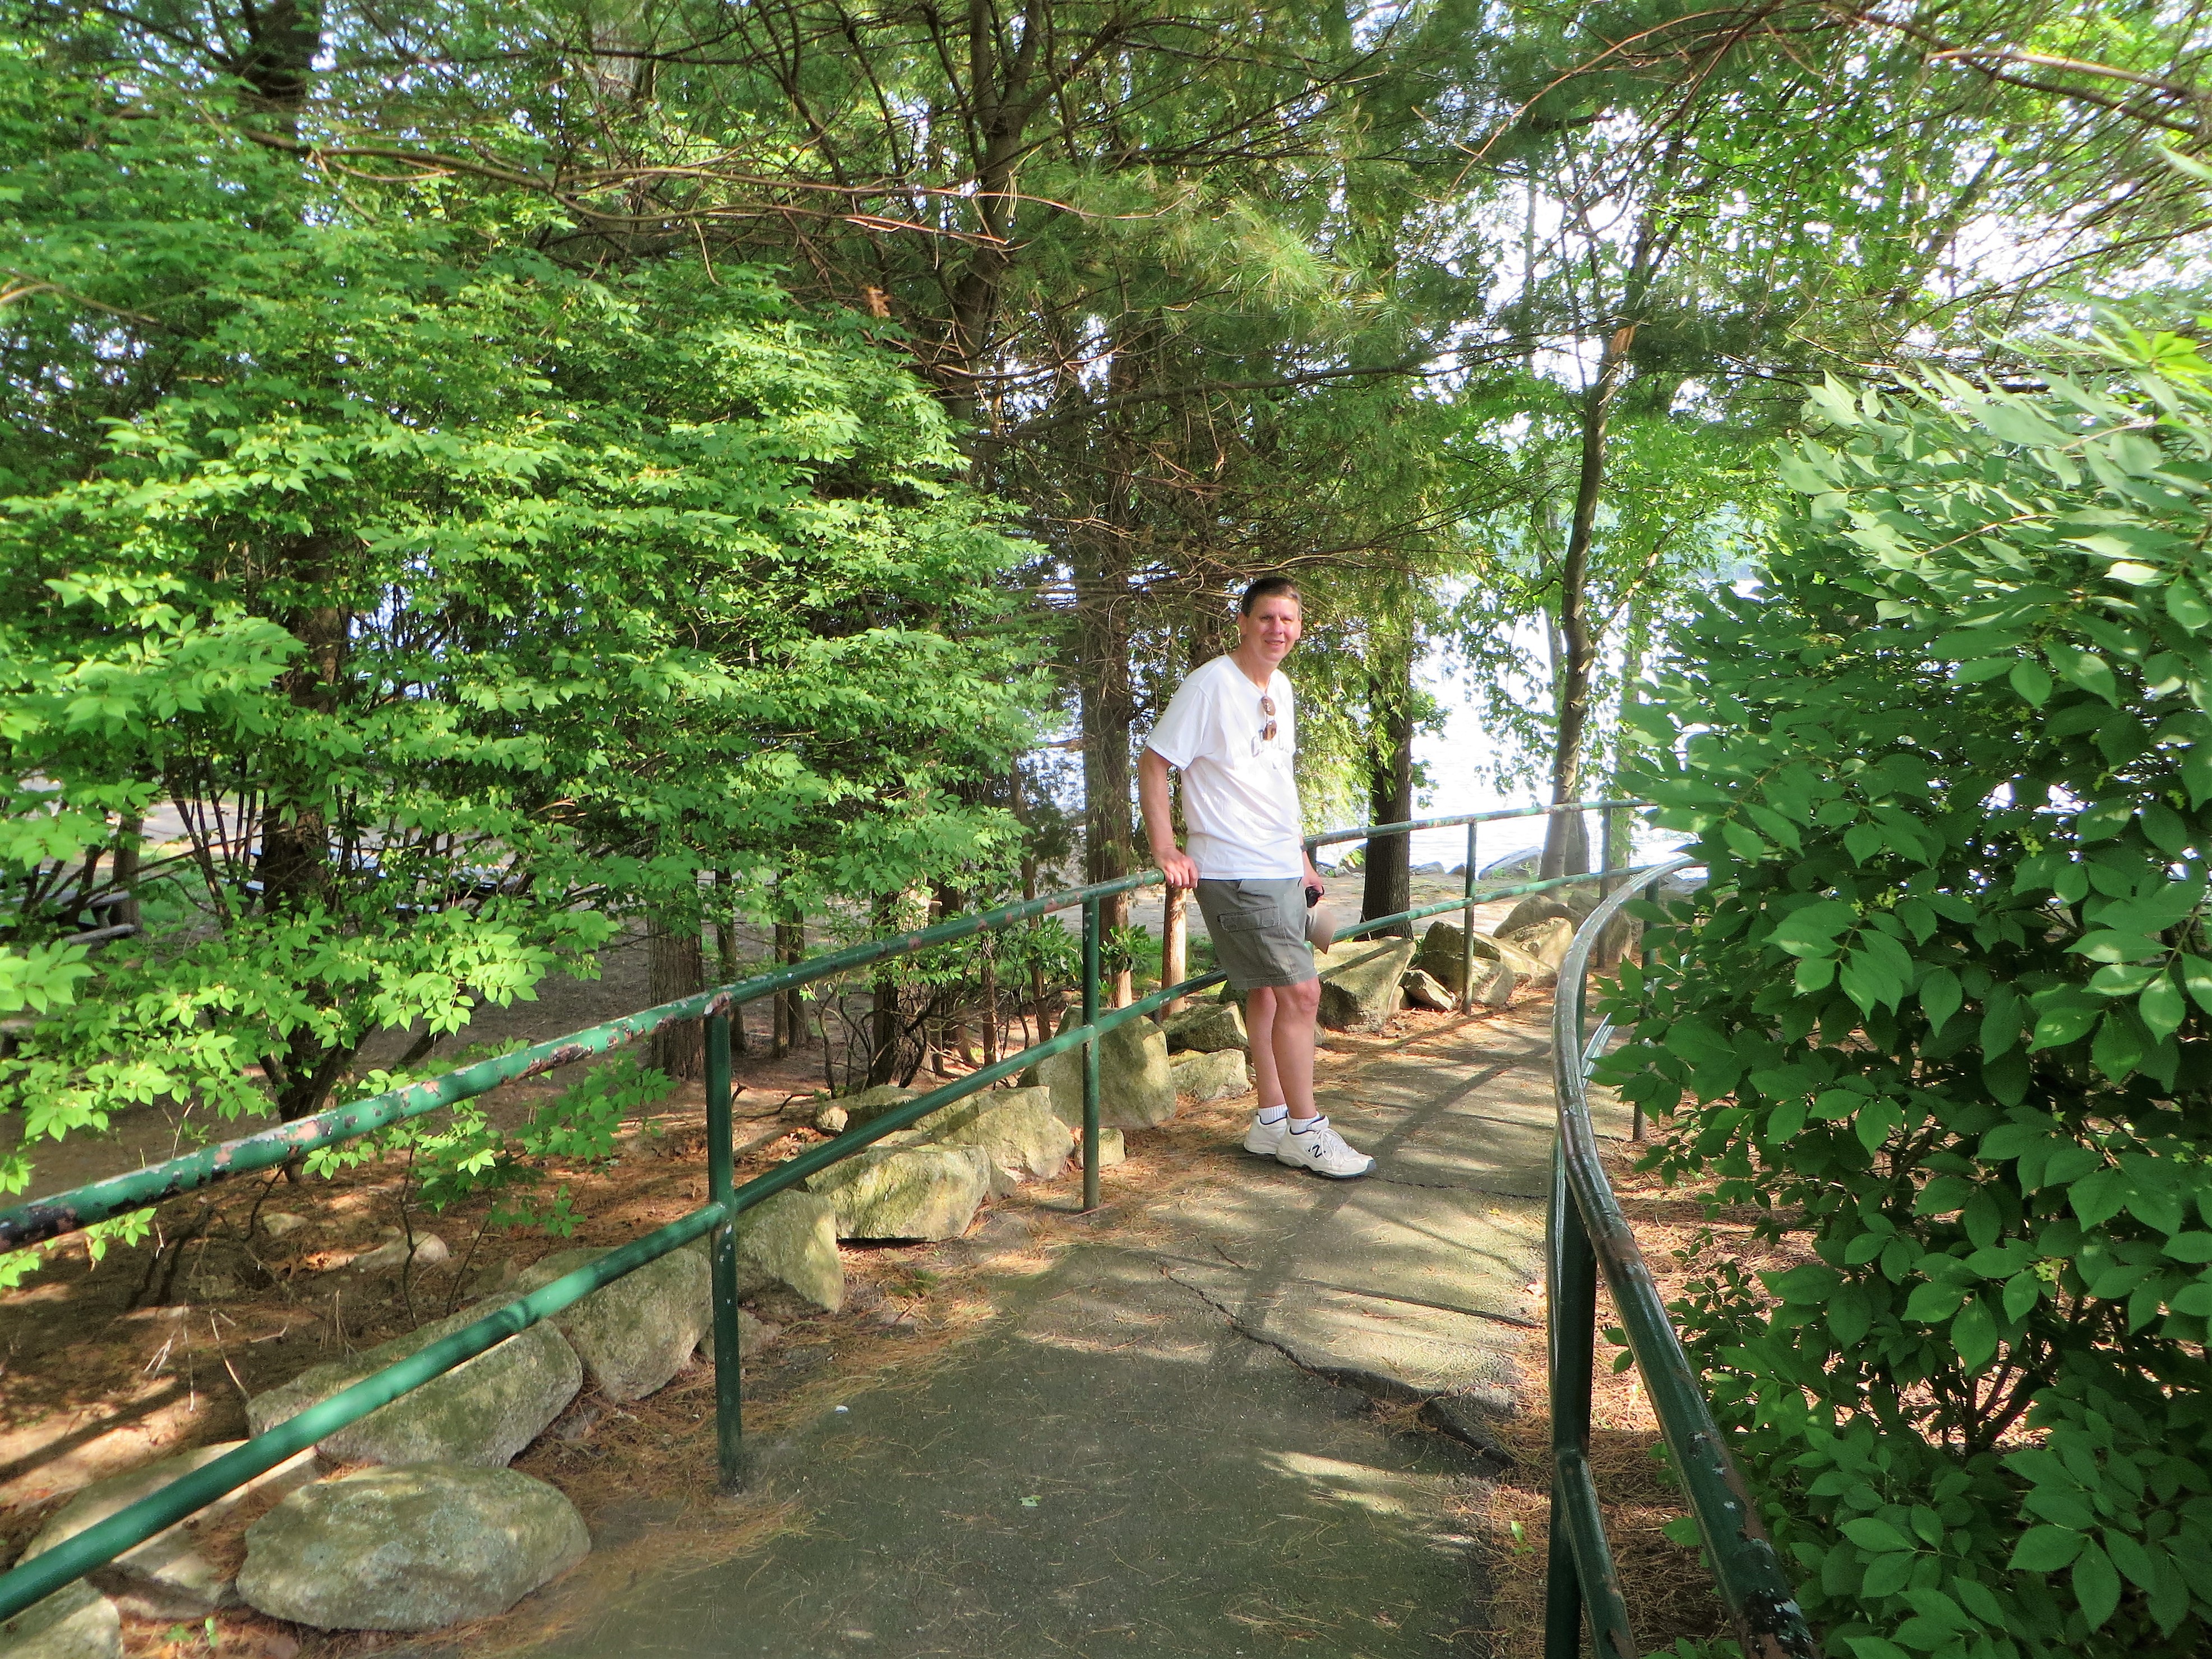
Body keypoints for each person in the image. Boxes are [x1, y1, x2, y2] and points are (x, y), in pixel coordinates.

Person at [1137, 576, 1375, 1179]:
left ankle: (1271, 1120)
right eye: (1266, 617)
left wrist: (1301, 860)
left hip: (1277, 865)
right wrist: (1166, 847)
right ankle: (1306, 1131)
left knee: (1269, 993)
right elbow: (1155, 762)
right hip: (1236, 869)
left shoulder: (1280, 687)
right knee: (1303, 994)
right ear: (1242, 622)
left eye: (1288, 620)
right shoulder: (1210, 685)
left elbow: (1276, 784)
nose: (1277, 629)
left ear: (1299, 628)